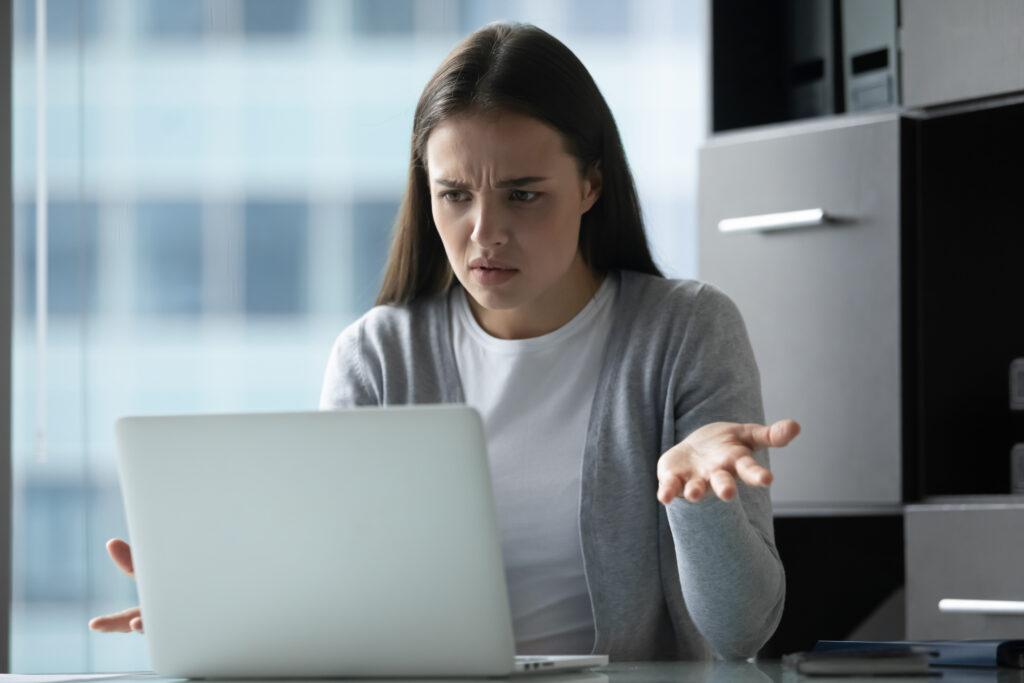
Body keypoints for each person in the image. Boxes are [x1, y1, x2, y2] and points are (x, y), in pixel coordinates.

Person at [90, 22, 800, 661]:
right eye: (454, 194)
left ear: (590, 184)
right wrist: (224, 609)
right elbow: (344, 600)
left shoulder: (686, 330)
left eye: (523, 194)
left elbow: (739, 633)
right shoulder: (377, 357)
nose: (483, 232)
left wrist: (696, 499)